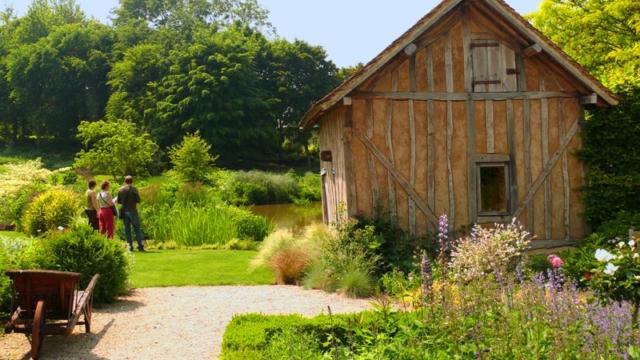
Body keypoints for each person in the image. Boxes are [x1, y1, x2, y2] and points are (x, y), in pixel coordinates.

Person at [118, 175, 145, 252]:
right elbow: (138, 200)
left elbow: (119, 201)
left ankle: (130, 247)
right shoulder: (134, 189)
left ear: (125, 181)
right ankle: (140, 247)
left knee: (127, 230)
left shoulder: (121, 190)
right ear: (132, 181)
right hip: (133, 210)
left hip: (125, 211)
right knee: (137, 228)